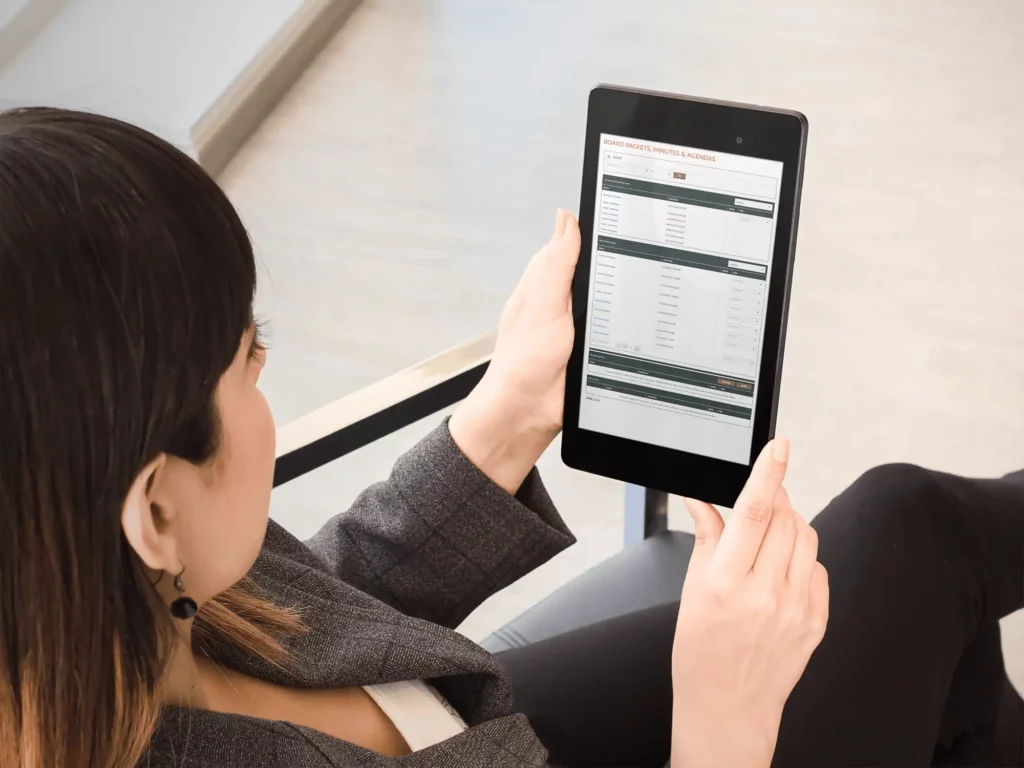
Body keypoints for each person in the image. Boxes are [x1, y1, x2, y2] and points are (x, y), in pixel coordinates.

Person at [0, 107, 1020, 768]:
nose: (266, 380)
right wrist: (723, 721)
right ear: (153, 510)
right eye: (246, 362)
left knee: (923, 608)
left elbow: (303, 614)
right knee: (908, 536)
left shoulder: (80, 589)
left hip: (469, 726)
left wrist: (503, 421)